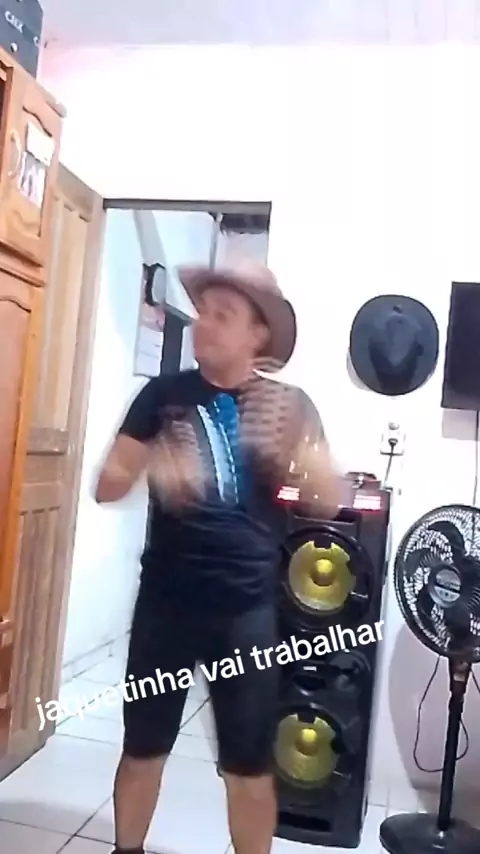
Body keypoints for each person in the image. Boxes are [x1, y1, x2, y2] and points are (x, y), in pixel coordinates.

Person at [95, 260, 341, 854]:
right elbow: (107, 486)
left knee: (249, 765)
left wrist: (316, 476)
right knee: (143, 747)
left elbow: (327, 503)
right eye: (203, 311)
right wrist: (151, 465)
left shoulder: (292, 407)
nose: (204, 323)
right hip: (166, 607)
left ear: (258, 334)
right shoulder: (161, 396)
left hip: (246, 613)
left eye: (223, 314)